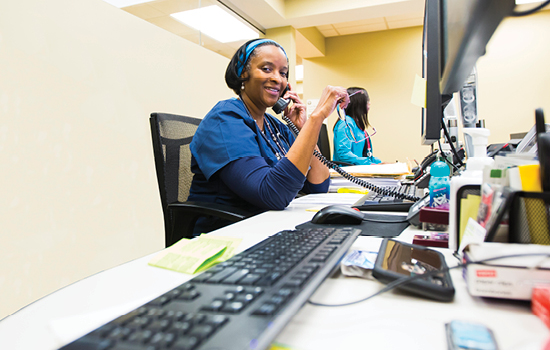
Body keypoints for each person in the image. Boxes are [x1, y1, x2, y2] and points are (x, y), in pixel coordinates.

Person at [188, 38, 350, 234]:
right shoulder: (225, 119)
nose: (278, 79)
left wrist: (304, 127)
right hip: (226, 237)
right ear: (243, 73)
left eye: (283, 73)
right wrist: (317, 118)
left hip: (269, 228)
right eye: (266, 69)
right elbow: (272, 194)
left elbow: (319, 185)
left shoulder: (275, 126)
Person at [333, 87, 382, 165]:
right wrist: (368, 163)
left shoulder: (358, 126)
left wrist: (381, 163)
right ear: (359, 103)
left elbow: (365, 156)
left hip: (357, 169)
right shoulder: (346, 124)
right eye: (367, 101)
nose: (369, 103)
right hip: (347, 173)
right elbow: (344, 155)